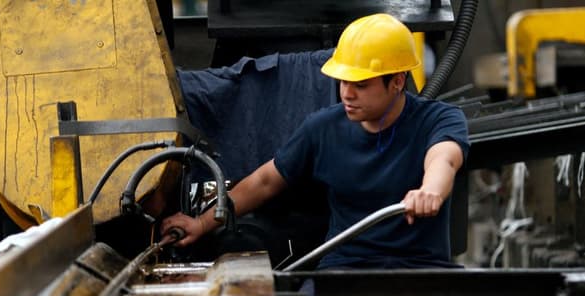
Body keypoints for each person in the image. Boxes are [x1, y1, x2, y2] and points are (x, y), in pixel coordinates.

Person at [161, 13, 469, 269]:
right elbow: (264, 182)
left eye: (360, 84)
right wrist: (201, 223)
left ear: (398, 81)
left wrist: (430, 191)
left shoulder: (439, 119)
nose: (347, 93)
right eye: (344, 81)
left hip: (423, 270)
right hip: (344, 270)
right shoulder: (323, 128)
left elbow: (443, 159)